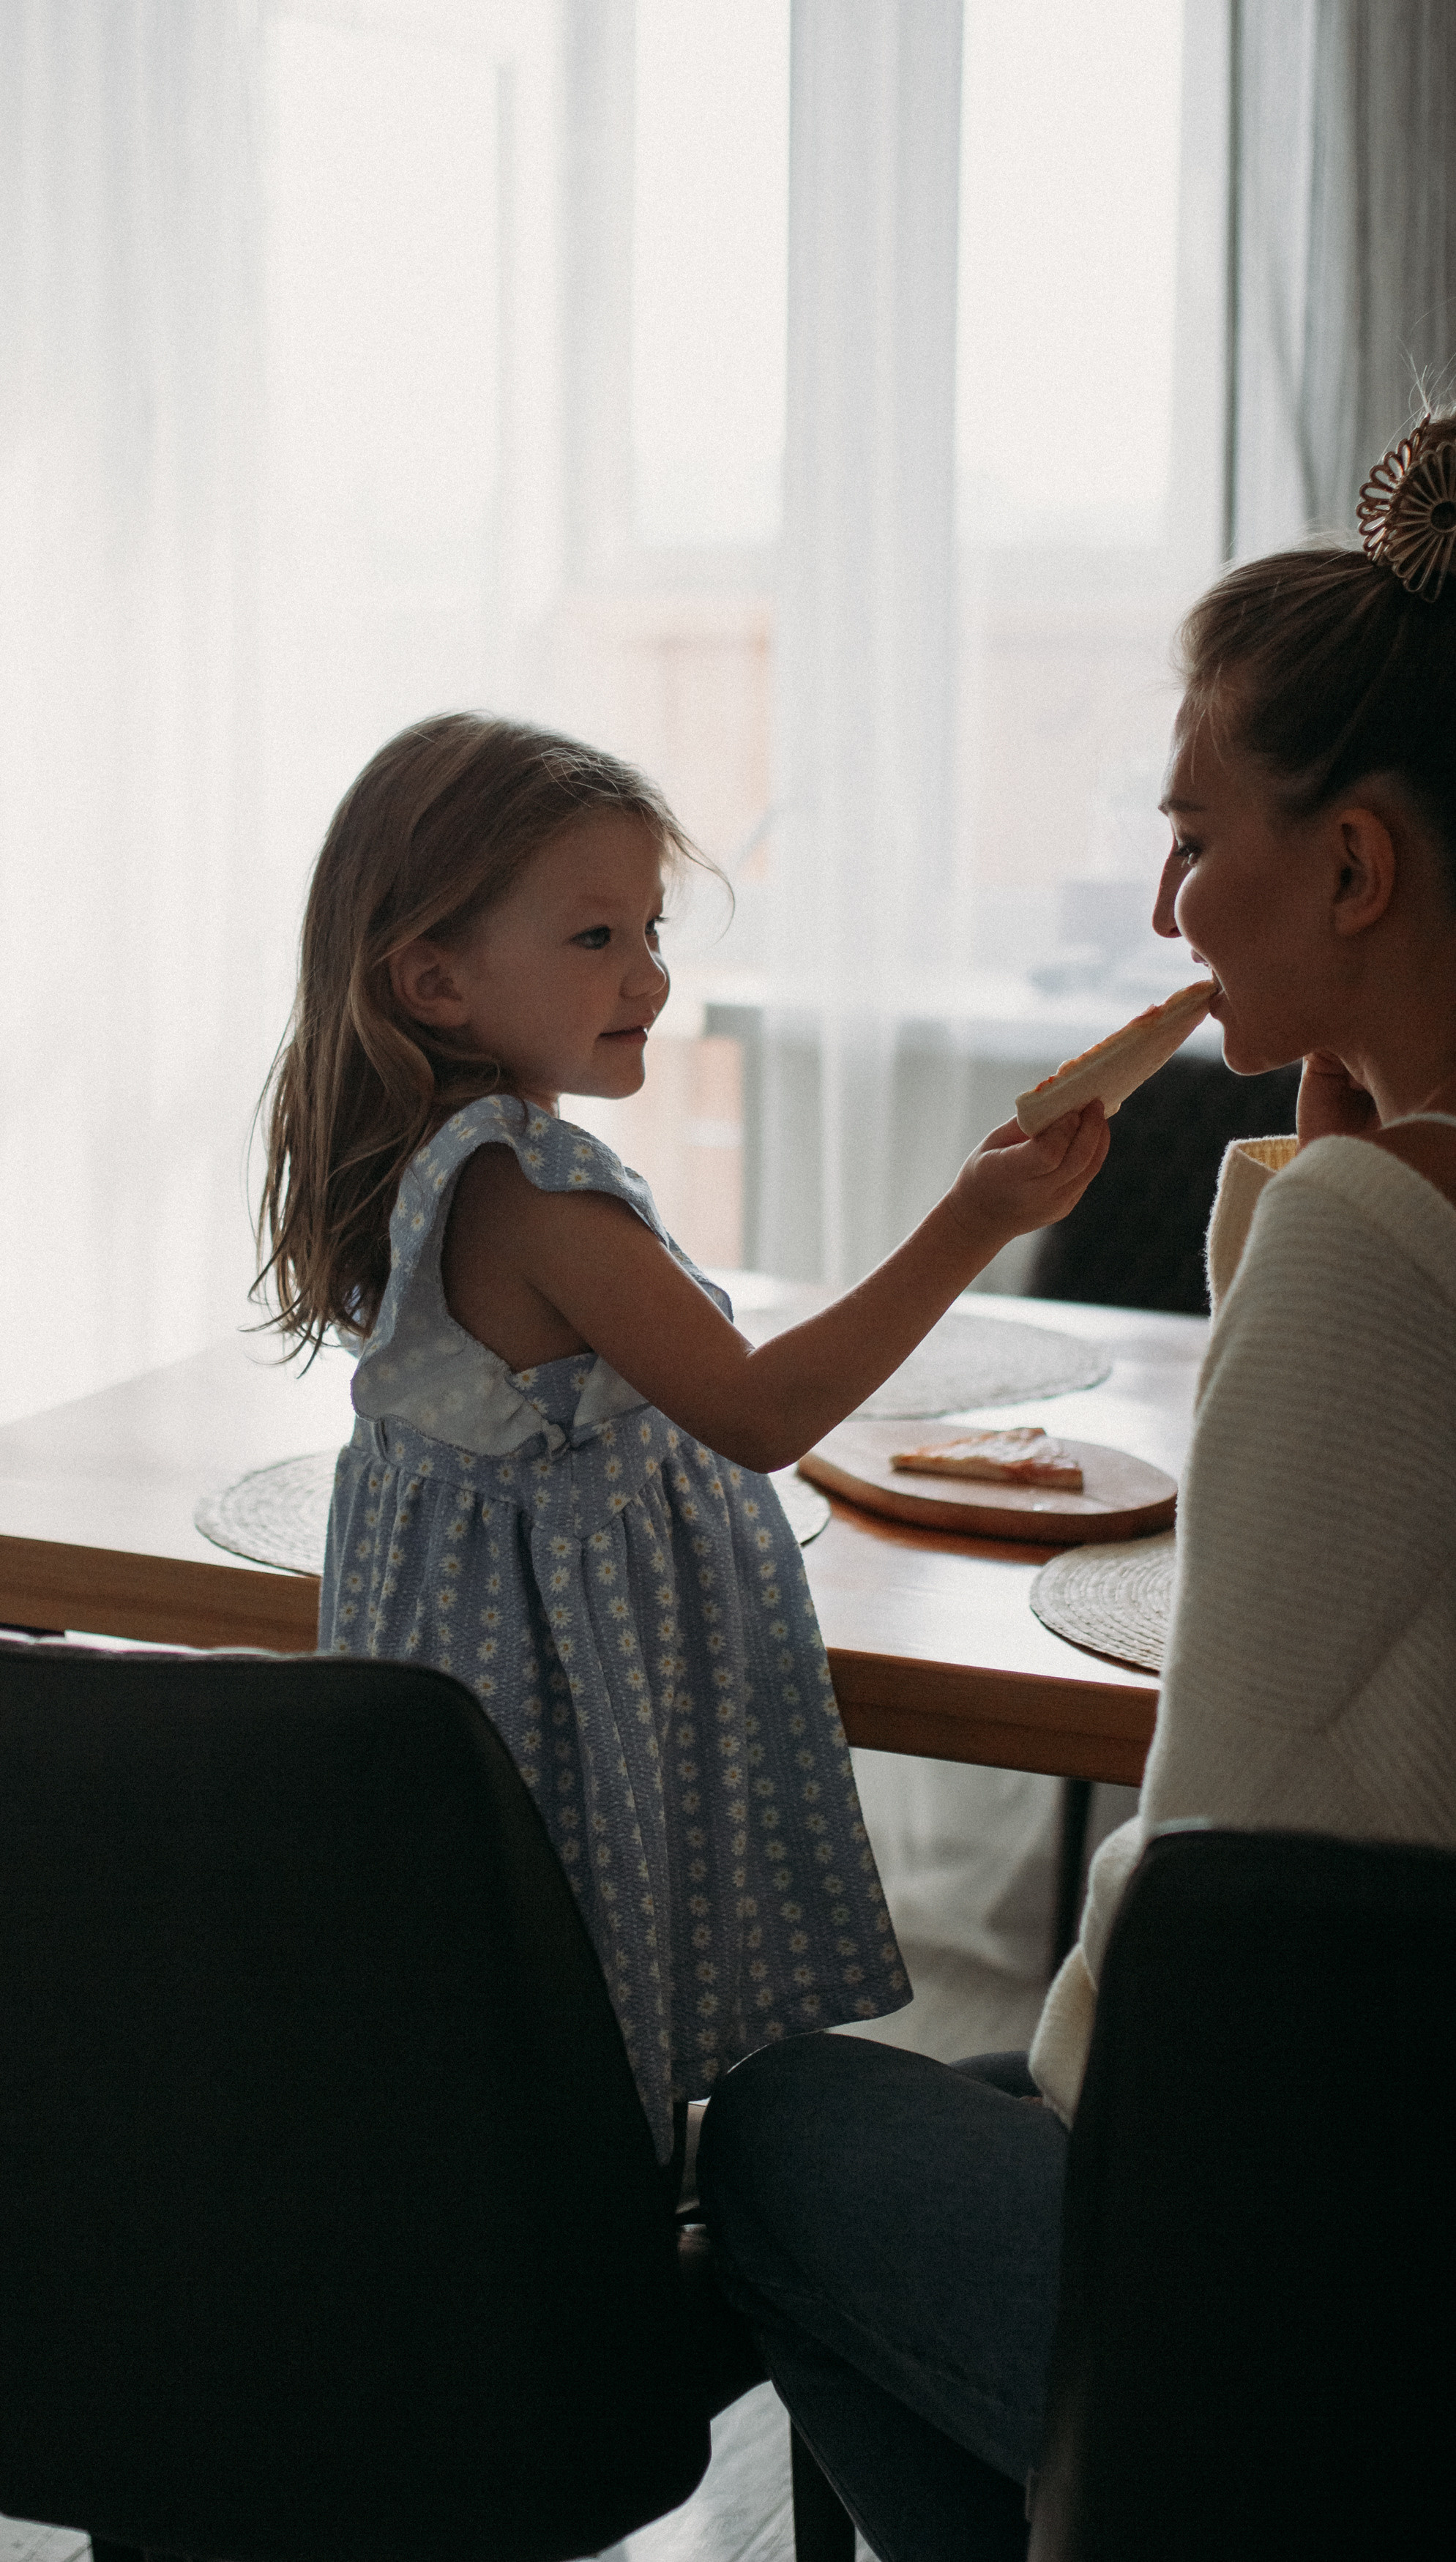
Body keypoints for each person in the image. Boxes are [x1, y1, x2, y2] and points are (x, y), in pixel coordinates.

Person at [698, 410, 1456, 2558]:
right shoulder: (1373, 1200)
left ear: (1350, 868)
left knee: (770, 2134)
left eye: (1191, 835)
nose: (1155, 904)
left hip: (1308, 2259)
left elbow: (1208, 1882)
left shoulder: (1355, 1250)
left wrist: (1324, 1193)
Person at [255, 712, 1108, 2156]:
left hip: (474, 1701)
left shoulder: (434, 1160)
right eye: (596, 937)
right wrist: (976, 1219)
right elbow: (760, 1410)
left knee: (511, 2047)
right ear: (434, 977)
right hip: (559, 1712)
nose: (649, 973)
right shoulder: (530, 1186)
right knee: (581, 2051)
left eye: (651, 928)